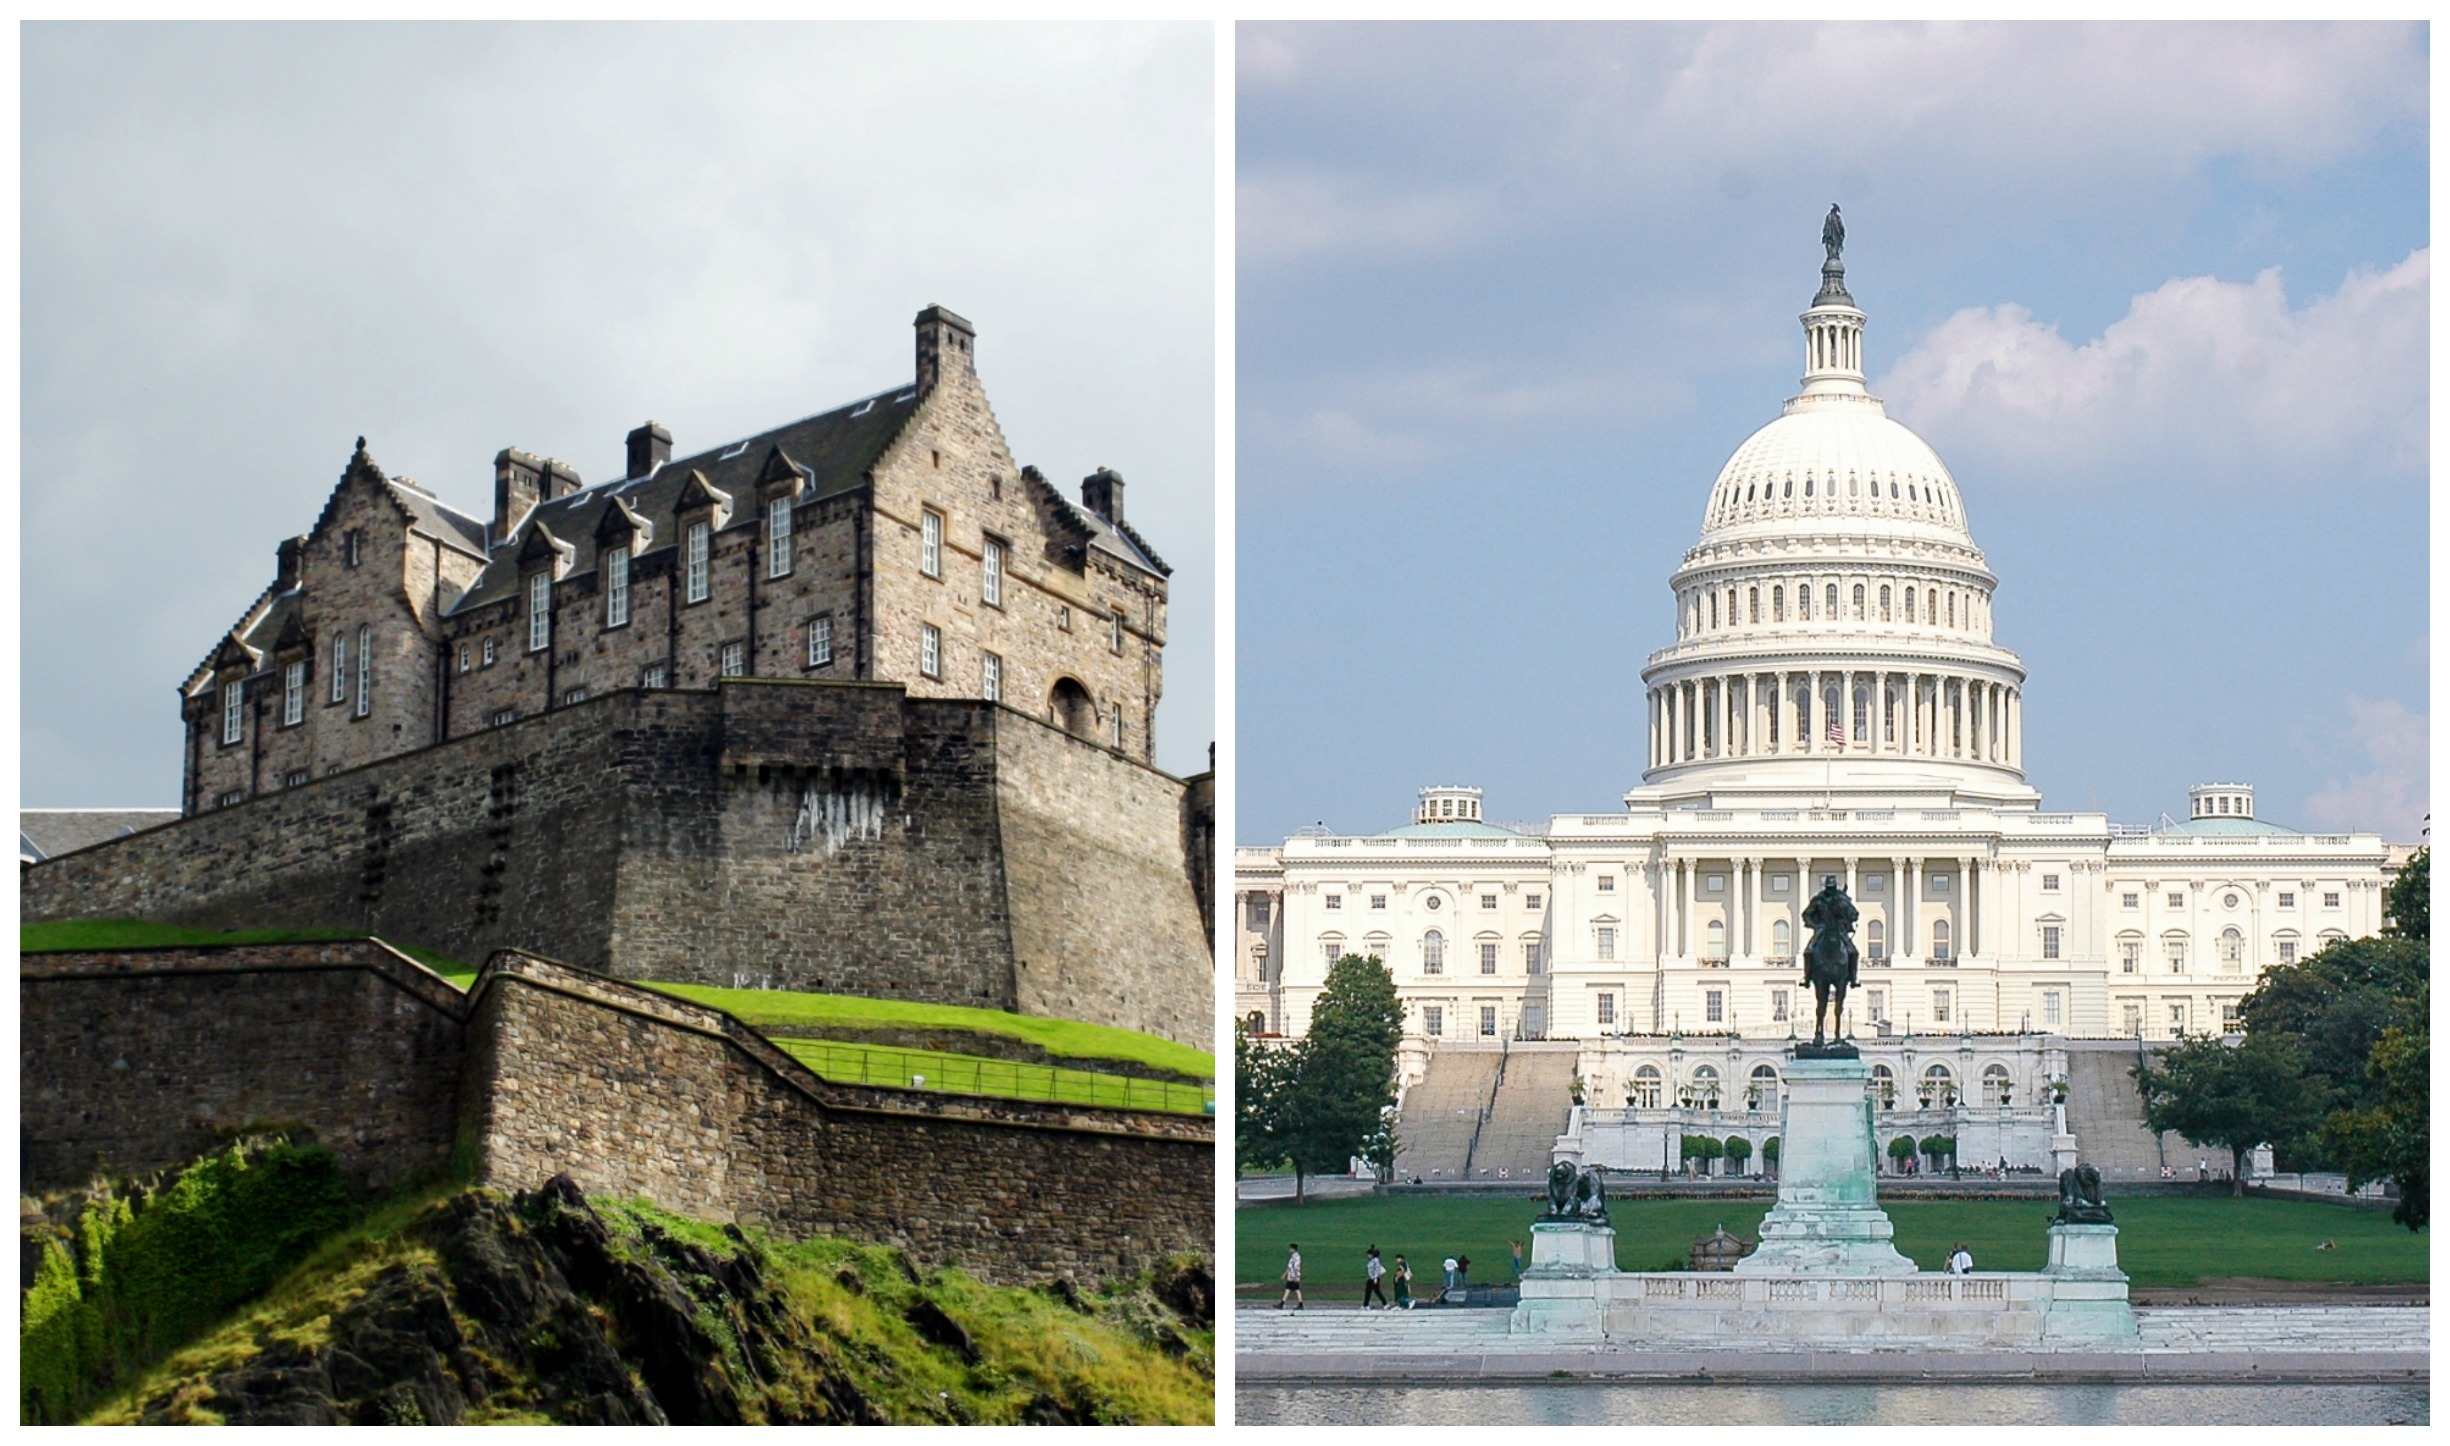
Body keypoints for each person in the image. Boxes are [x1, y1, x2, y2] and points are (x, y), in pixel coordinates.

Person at [1362, 1245, 1389, 1309]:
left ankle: (1385, 1304)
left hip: (1374, 1279)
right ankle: (1365, 1305)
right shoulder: (1371, 1260)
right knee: (1369, 1291)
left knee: (1376, 1291)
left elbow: (1377, 1269)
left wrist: (1375, 1278)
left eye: (1369, 1254)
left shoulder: (1375, 1260)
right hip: (1371, 1278)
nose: (1368, 1256)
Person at [1279, 1243, 1304, 1309]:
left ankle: (1282, 1303)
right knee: (1292, 1289)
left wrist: (1296, 1277)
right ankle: (1282, 1303)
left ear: (1294, 1249)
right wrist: (1285, 1274)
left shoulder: (1296, 1257)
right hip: (1291, 1276)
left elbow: (1296, 1267)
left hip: (1293, 1277)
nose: (1289, 1250)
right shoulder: (1293, 1256)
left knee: (1293, 1289)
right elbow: (1289, 1267)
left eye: (1290, 1248)